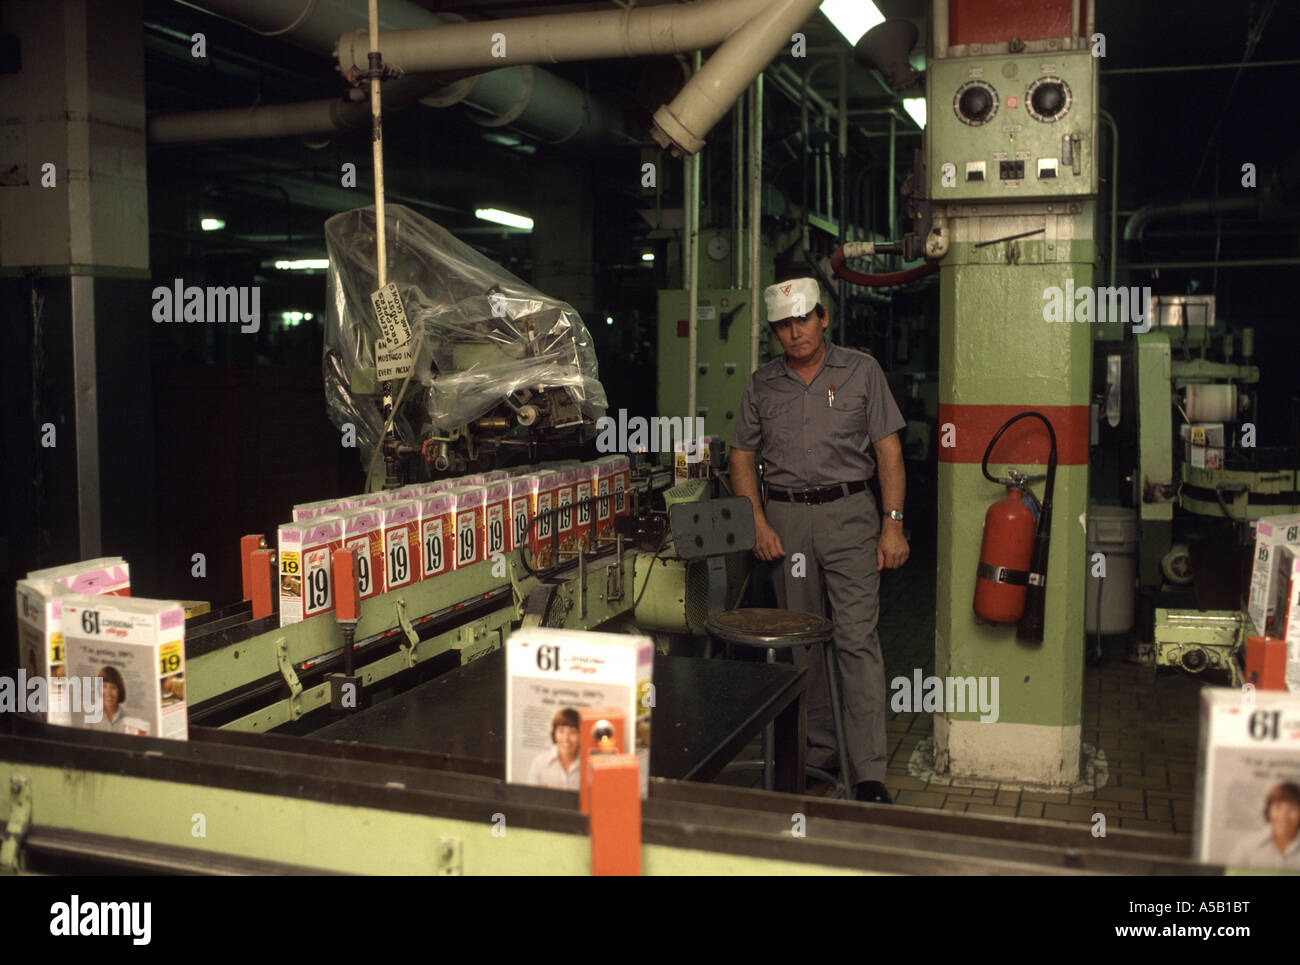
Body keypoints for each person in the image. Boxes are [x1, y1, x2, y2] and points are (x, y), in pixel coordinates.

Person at [729, 276, 909, 803]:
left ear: (823, 318)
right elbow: (741, 456)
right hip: (787, 525)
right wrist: (757, 523)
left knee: (856, 640)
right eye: (783, 325)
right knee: (804, 643)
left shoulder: (861, 371)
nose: (795, 332)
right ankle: (819, 754)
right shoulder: (763, 384)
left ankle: (869, 771)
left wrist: (892, 524)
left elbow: (889, 451)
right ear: (773, 332)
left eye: (803, 319)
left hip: (851, 518)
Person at [1228, 781, 1300, 869]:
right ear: (1268, 811)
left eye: (1292, 809)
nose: (1284, 816)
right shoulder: (1246, 846)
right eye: (1278, 808)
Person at [527, 707, 582, 790]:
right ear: (554, 734)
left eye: (572, 732)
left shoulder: (589, 765)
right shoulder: (539, 763)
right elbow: (529, 798)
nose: (566, 739)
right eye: (561, 731)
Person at [90, 665, 127, 733]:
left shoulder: (128, 719)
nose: (108, 692)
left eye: (113, 687)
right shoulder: (91, 716)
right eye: (104, 686)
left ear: (120, 691)